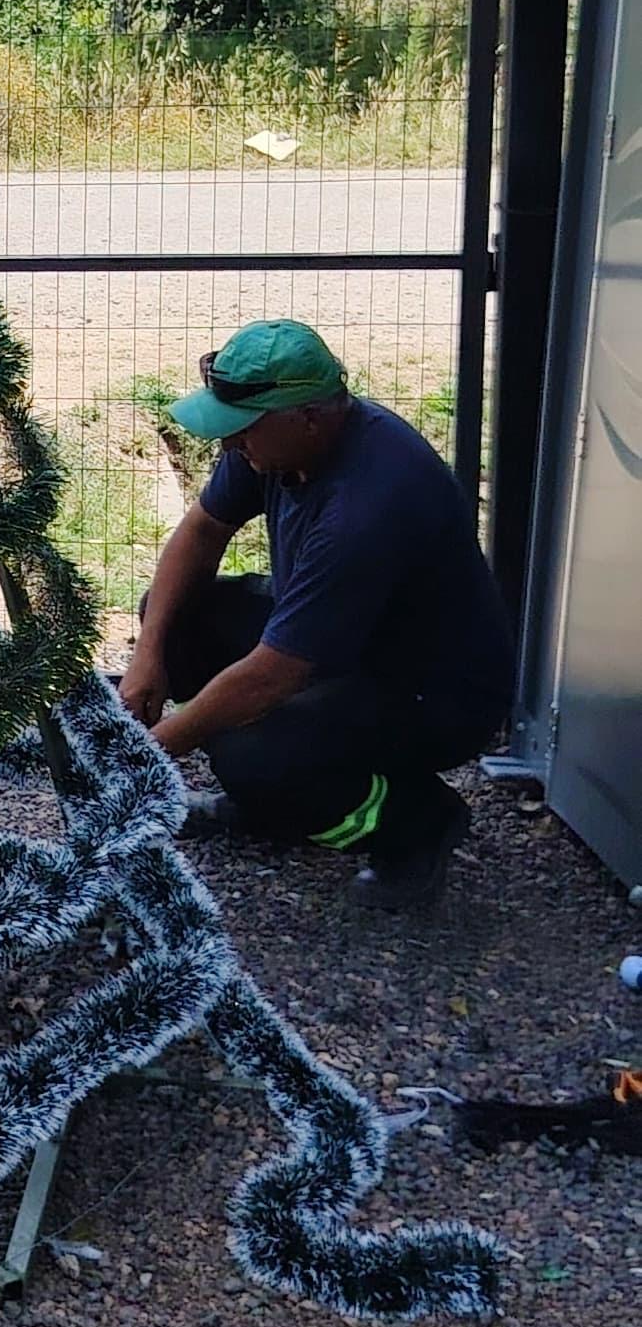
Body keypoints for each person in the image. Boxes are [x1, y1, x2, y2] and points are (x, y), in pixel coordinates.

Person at [119, 317, 514, 907]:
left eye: (241, 429)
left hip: (434, 694)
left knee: (251, 756)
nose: (228, 444)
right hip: (346, 644)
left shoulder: (366, 505)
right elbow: (201, 531)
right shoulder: (271, 445)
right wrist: (147, 656)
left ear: (307, 417)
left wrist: (149, 752)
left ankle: (415, 821)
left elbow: (274, 675)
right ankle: (273, 807)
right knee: (174, 619)